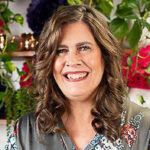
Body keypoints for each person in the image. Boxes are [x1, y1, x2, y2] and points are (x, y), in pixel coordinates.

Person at [6, 5, 150, 150]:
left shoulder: (145, 129)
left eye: (84, 48)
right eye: (61, 50)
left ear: (105, 56)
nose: (73, 60)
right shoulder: (25, 132)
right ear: (49, 62)